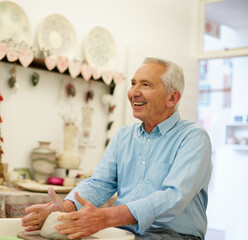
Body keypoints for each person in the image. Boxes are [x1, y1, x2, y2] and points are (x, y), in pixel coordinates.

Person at [21, 57, 212, 240]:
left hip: (174, 236)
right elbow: (99, 183)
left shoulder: (193, 138)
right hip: (123, 232)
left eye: (146, 85)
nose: (133, 92)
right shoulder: (124, 136)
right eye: (133, 83)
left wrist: (105, 218)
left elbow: (173, 198)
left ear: (172, 98)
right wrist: (66, 208)